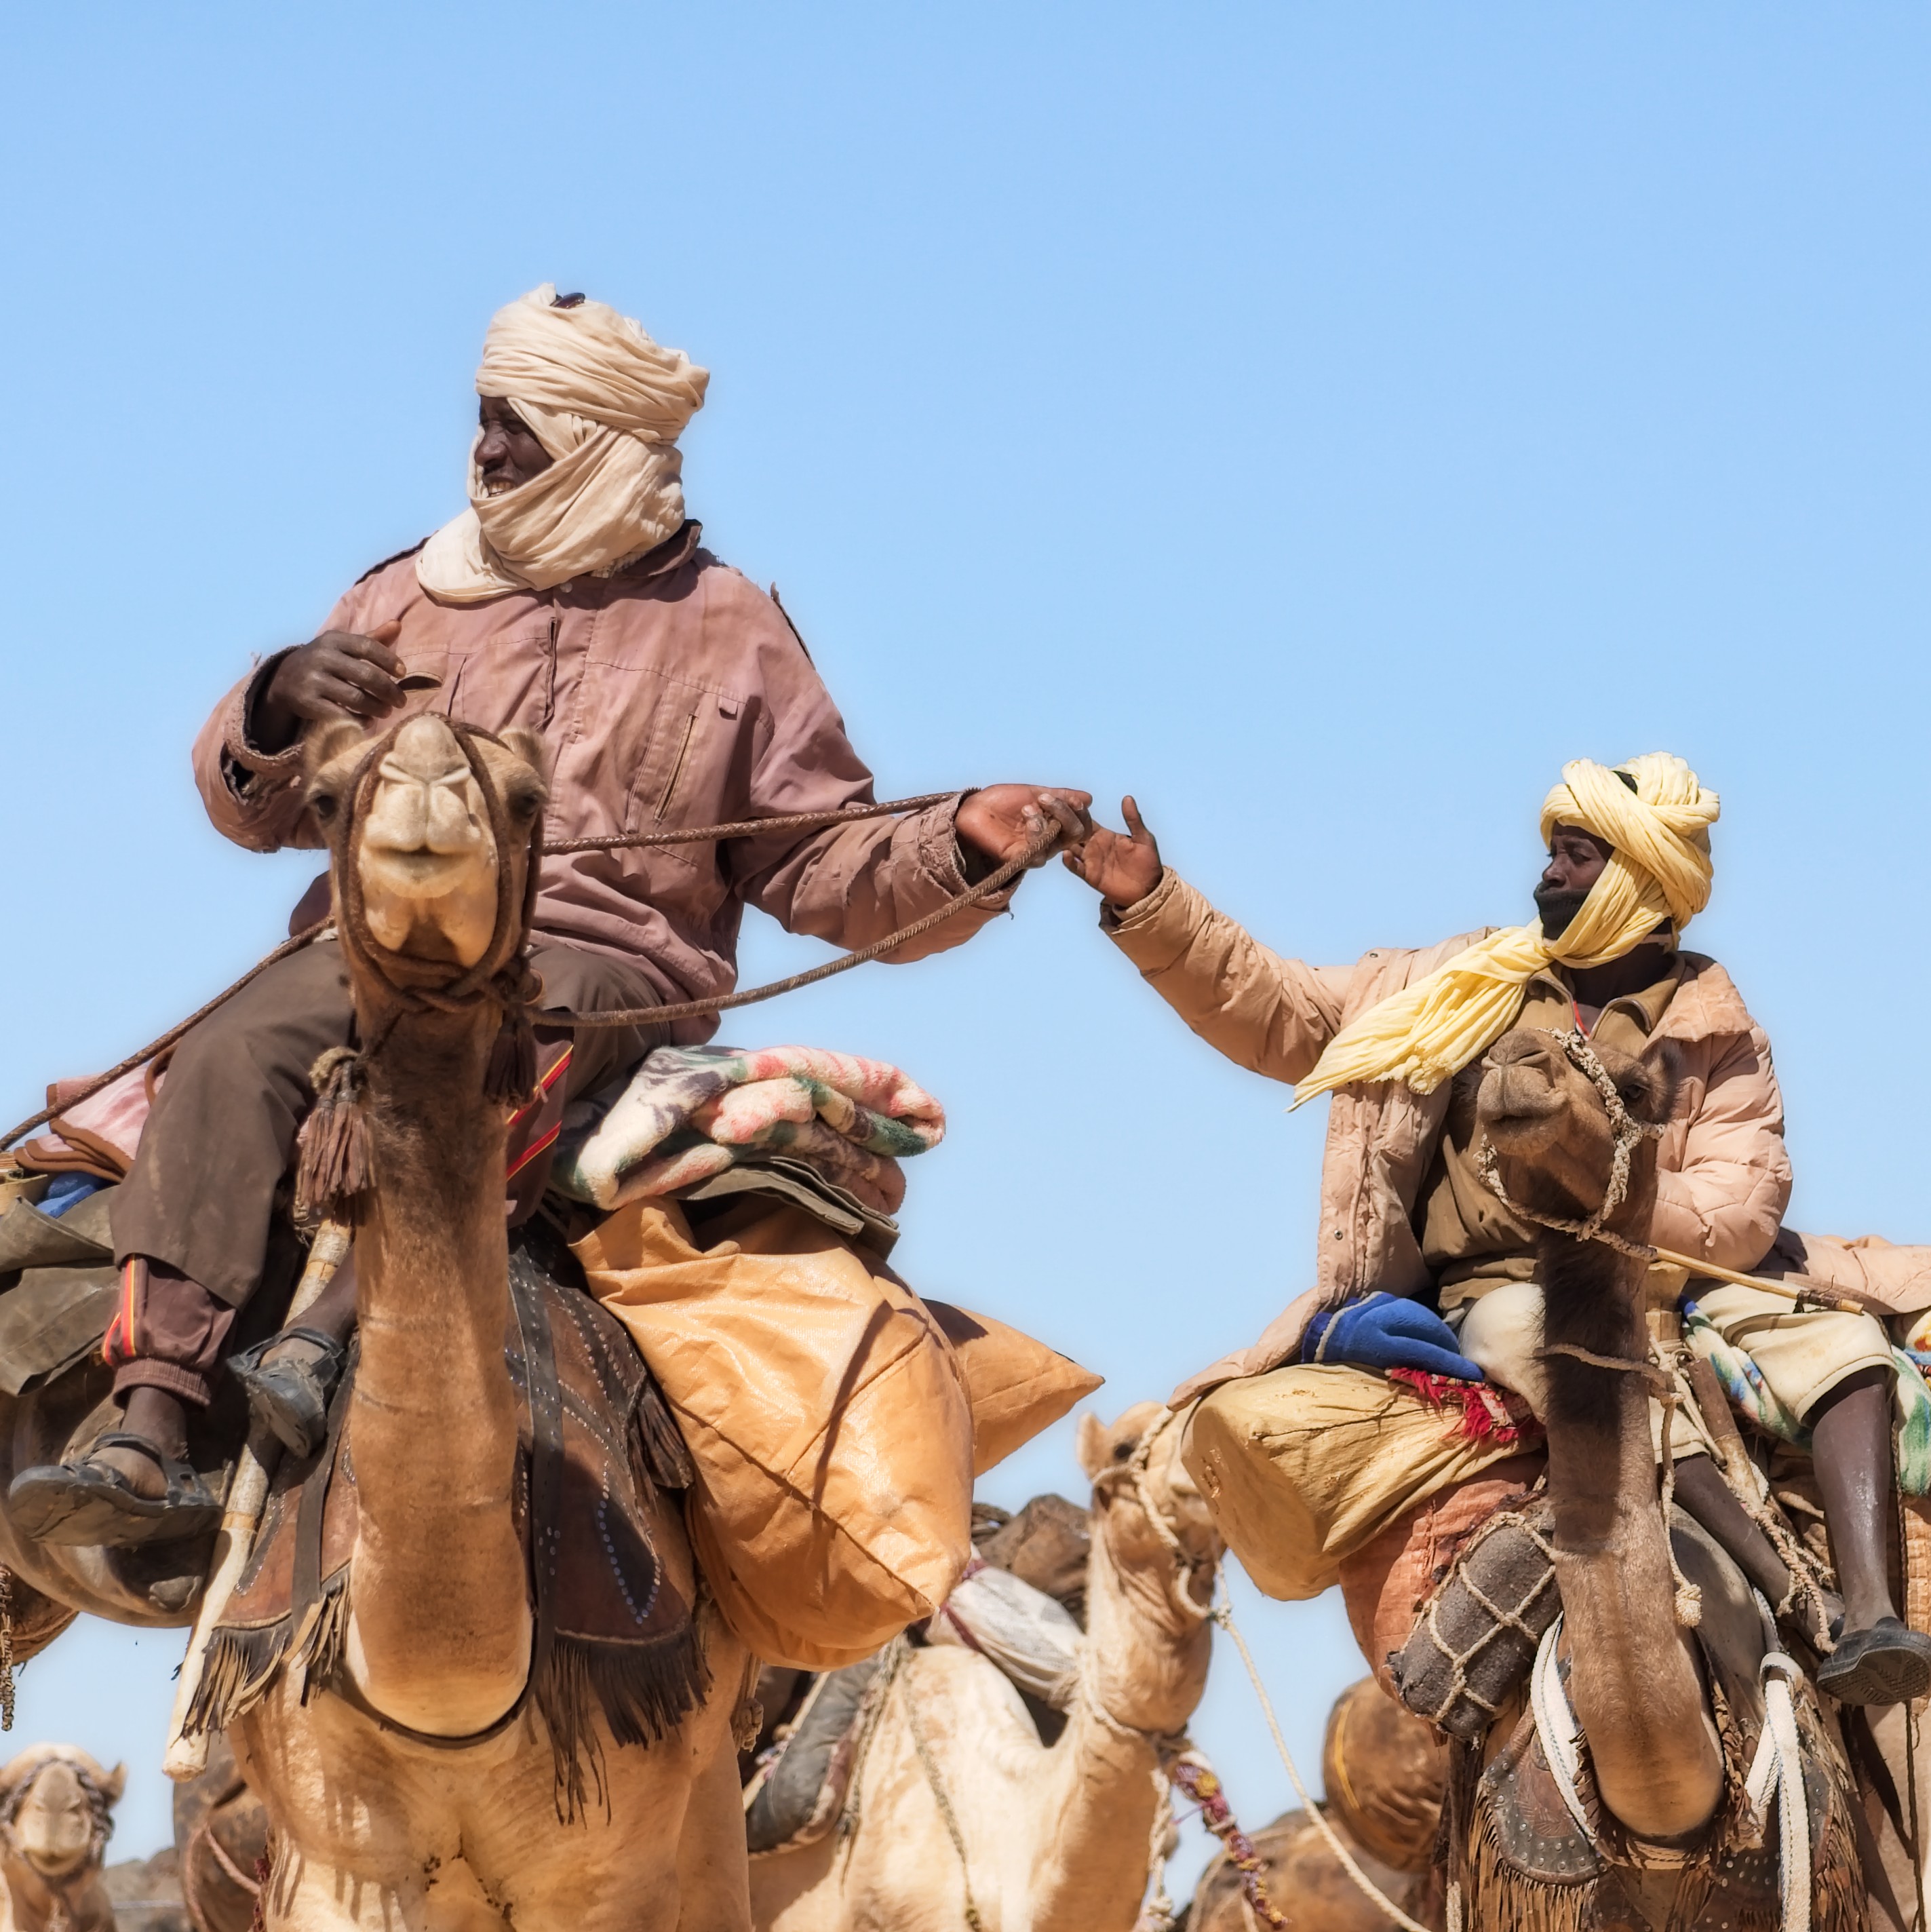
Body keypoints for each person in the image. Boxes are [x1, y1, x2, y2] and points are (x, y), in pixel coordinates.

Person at [11, 286, 1089, 1548]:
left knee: (519, 1033)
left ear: (591, 440)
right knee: (239, 1044)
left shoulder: (733, 629)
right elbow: (260, 815)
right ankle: (149, 1419)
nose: (482, 451)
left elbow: (820, 856)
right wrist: (272, 702)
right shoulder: (405, 594)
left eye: (511, 426)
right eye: (480, 419)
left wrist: (962, 844)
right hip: (365, 943)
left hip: (609, 965)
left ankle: (328, 1334)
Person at [1064, 754, 1931, 1705]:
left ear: (1641, 882)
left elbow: (1739, 1207)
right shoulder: (1454, 986)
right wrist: (1153, 905)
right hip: (1504, 1287)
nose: (1545, 877)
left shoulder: (1717, 1033)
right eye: (1553, 855)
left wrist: (1609, 1186)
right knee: (1573, 1355)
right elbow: (1283, 1009)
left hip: (1677, 1277)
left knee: (1843, 1340)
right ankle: (1789, 1595)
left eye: (1574, 858)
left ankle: (1874, 1619)